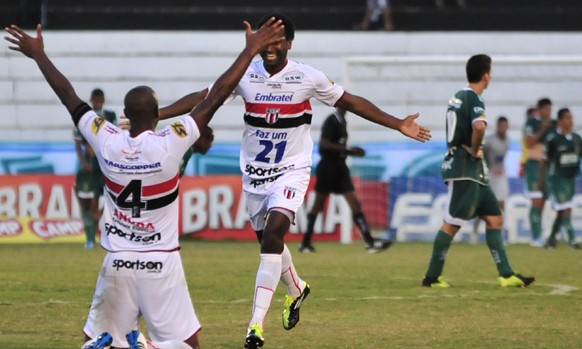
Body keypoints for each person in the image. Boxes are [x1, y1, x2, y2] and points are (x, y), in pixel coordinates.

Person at [4, 18, 286, 349]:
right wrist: (250, 49)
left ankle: (117, 344)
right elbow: (216, 96)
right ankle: (145, 346)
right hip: (161, 261)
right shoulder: (172, 142)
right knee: (188, 345)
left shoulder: (105, 139)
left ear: (124, 113)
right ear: (157, 114)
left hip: (118, 261)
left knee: (92, 339)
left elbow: (69, 96)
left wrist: (39, 56)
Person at [160, 13, 430, 349]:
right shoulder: (244, 75)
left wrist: (397, 123)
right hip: (255, 174)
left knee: (274, 233)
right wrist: (158, 114)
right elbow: (205, 99)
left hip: (292, 170)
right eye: (266, 40)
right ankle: (297, 288)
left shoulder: (307, 77)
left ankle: (255, 326)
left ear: (289, 43)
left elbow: (352, 102)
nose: (271, 47)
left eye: (278, 41)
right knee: (268, 243)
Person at [421, 54, 534, 289]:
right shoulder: (474, 98)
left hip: (476, 173)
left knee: (494, 218)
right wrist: (474, 149)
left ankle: (506, 274)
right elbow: (479, 127)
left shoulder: (457, 97)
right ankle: (431, 278)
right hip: (465, 168)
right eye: (490, 72)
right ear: (486, 75)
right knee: (452, 223)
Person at [299, 107, 392, 253]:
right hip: (328, 167)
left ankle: (369, 242)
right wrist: (348, 149)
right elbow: (324, 145)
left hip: (340, 167)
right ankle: (305, 243)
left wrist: (349, 152)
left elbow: (339, 146)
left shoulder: (342, 121)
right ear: (337, 105)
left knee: (354, 203)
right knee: (318, 205)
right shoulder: (332, 120)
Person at [542, 108, 582, 249]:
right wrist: (542, 180)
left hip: (571, 179)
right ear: (560, 121)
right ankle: (572, 240)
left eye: (571, 118)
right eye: (567, 118)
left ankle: (550, 240)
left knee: (562, 211)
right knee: (566, 208)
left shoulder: (577, 138)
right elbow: (545, 160)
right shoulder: (553, 138)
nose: (570, 121)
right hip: (557, 179)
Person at [74, 88, 117, 249]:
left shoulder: (110, 116)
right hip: (90, 167)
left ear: (103, 101)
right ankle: (90, 239)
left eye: (100, 100)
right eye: (95, 100)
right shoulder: (85, 117)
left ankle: (110, 237)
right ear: (92, 100)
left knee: (111, 201)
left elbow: (115, 137)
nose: (98, 103)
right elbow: (78, 141)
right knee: (88, 203)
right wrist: (83, 160)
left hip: (106, 165)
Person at [471, 115, 510, 243]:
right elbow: (480, 154)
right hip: (489, 176)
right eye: (501, 126)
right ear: (497, 126)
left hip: (501, 175)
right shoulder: (489, 141)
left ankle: (500, 234)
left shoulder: (508, 140)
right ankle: (475, 231)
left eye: (505, 126)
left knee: (502, 205)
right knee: (484, 206)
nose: (503, 128)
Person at [523, 98, 555, 246]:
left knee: (542, 201)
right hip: (534, 163)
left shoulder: (554, 125)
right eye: (546, 109)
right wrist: (542, 127)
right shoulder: (532, 123)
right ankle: (535, 238)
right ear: (539, 109)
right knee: (536, 199)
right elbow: (529, 143)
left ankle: (540, 235)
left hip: (546, 166)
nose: (549, 112)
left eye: (550, 109)